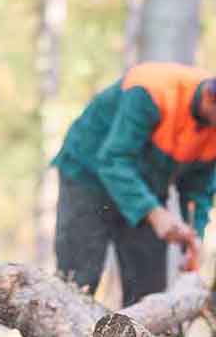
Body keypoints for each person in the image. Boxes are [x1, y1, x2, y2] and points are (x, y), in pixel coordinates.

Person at [53, 61, 216, 306]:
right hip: (89, 175)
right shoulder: (152, 90)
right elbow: (113, 159)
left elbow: (198, 190)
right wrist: (154, 213)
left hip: (146, 187)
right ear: (209, 98)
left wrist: (194, 238)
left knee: (148, 289)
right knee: (80, 277)